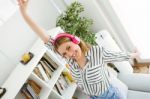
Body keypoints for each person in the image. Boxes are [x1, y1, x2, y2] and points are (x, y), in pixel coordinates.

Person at [17, 0, 139, 99]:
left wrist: (135, 54)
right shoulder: (70, 61)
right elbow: (41, 34)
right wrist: (24, 13)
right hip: (93, 96)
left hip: (110, 95)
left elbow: (118, 55)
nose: (70, 54)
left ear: (75, 40)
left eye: (69, 47)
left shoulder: (96, 52)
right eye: (64, 54)